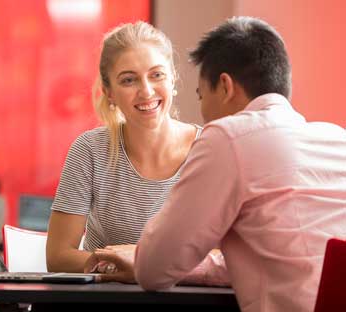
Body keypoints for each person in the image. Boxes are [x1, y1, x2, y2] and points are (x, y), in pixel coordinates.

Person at [86, 16, 346, 312]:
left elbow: (153, 270)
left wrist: (140, 256)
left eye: (201, 94)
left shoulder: (227, 137)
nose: (204, 111)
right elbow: (281, 256)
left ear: (225, 86)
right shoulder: (337, 139)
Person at [46, 21, 228, 285]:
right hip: (109, 301)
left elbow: (229, 255)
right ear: (109, 92)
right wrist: (122, 267)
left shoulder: (214, 149)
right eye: (129, 80)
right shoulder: (89, 150)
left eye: (156, 75)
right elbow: (58, 256)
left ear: (173, 78)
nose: (146, 91)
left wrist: (142, 261)